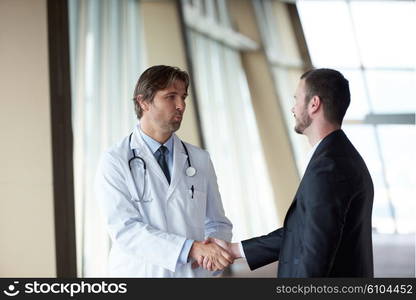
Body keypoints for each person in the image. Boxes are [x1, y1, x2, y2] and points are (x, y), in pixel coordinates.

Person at [200, 68, 374, 277]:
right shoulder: (338, 156)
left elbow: (316, 253)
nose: (293, 108)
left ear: (314, 104)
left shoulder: (329, 167)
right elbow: (302, 233)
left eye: (296, 99)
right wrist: (234, 249)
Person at [95, 65, 233, 277]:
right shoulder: (115, 160)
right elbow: (125, 229)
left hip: (192, 275)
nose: (181, 105)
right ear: (143, 102)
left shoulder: (199, 159)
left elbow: (217, 222)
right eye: (171, 97)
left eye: (183, 97)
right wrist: (191, 249)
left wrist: (213, 251)